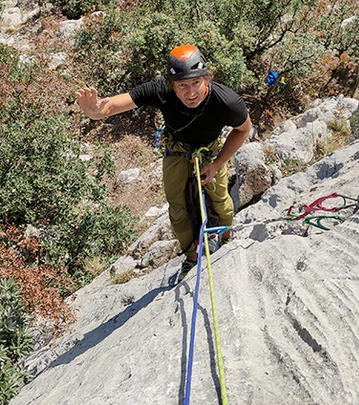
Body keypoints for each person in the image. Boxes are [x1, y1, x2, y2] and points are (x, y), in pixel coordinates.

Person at [75, 44, 252, 278]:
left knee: (219, 196)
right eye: (182, 85)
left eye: (196, 83)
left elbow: (243, 129)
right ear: (172, 85)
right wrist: (94, 111)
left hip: (210, 151)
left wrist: (217, 164)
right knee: (178, 207)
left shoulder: (226, 101)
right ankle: (191, 257)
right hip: (176, 151)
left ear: (206, 79)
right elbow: (112, 106)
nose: (190, 92)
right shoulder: (160, 90)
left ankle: (227, 236)